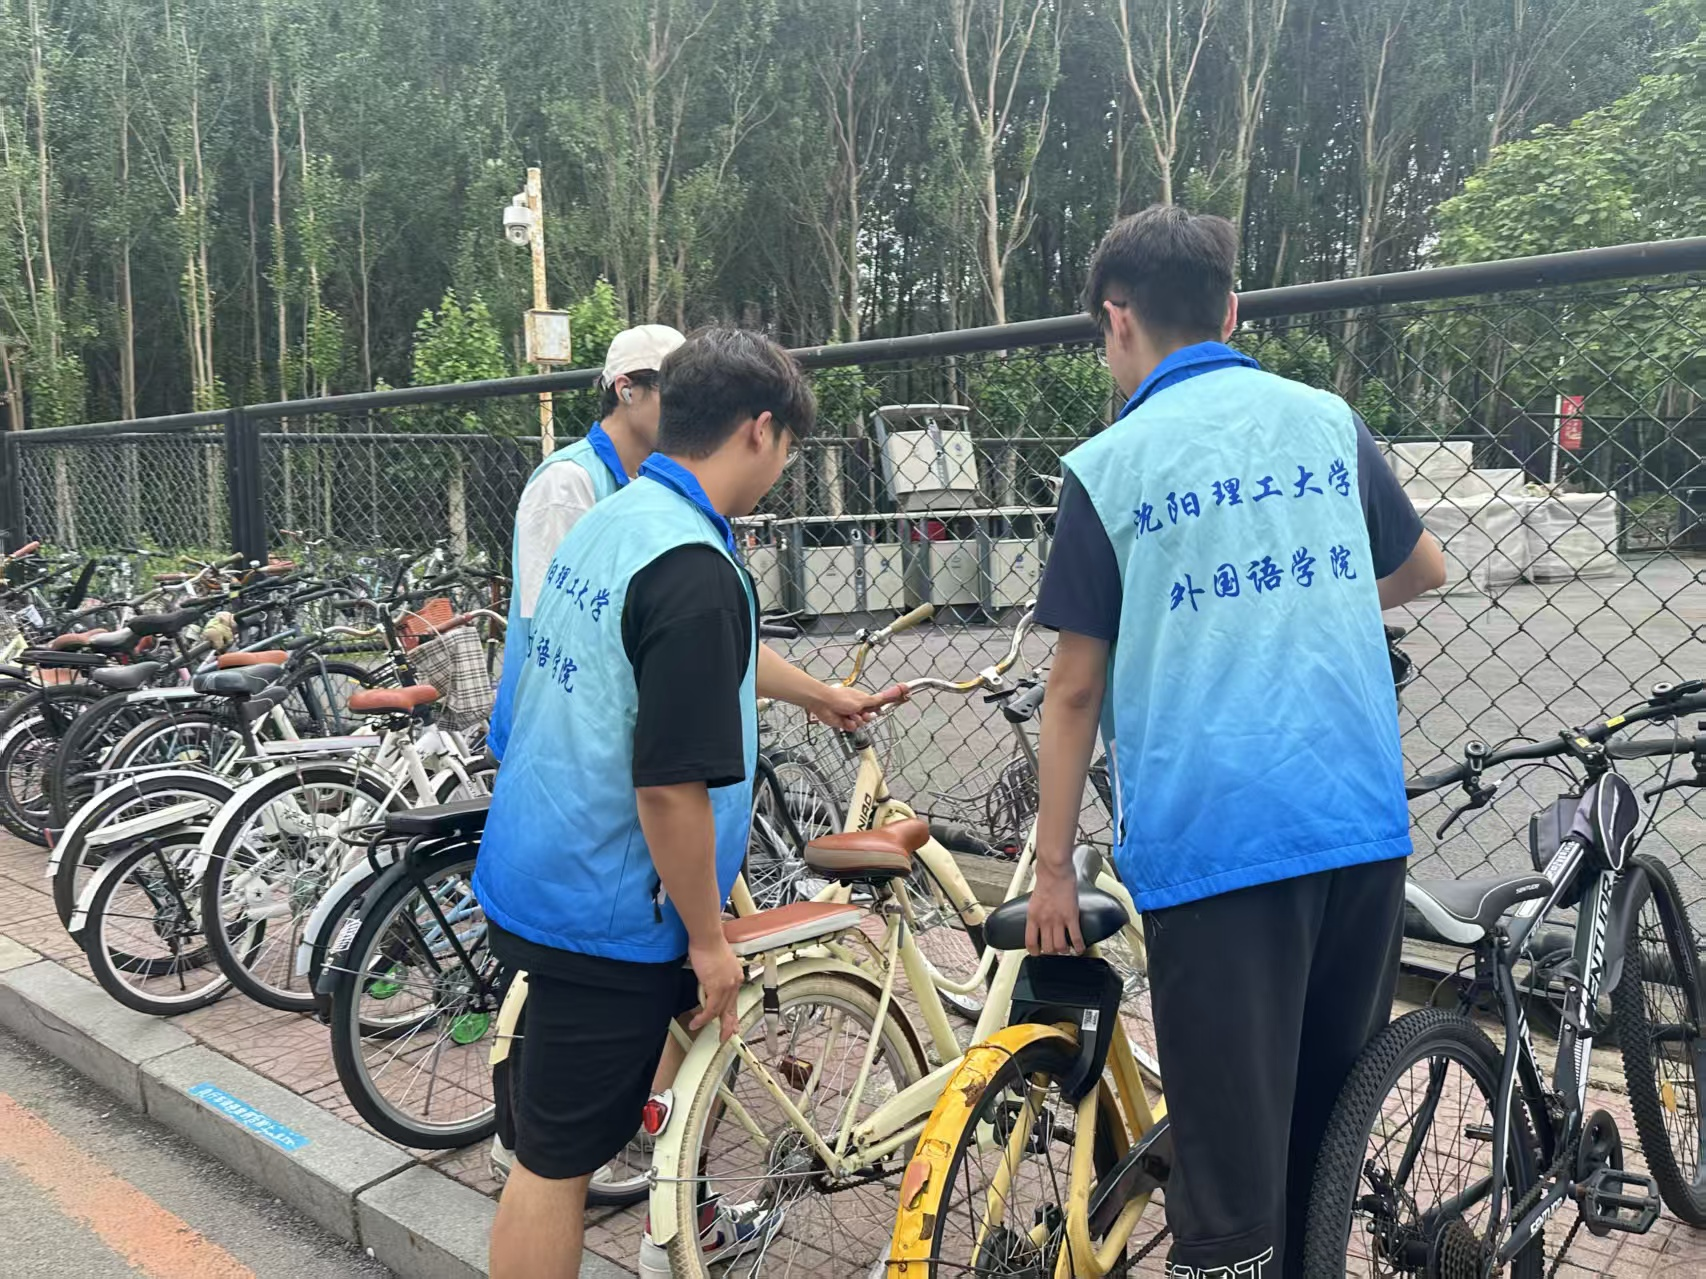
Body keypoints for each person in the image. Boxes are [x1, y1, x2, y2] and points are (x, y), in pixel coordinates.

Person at [1025, 205, 1446, 1278]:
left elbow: (1072, 689)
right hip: (1356, 824)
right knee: (1326, 1138)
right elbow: (1421, 568)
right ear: (1231, 310)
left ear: (1117, 319)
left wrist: (1052, 867)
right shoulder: (1324, 420)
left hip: (1216, 850)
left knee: (1226, 1184)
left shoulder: (1109, 464)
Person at [475, 328, 892, 1279]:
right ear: (759, 429)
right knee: (554, 1165)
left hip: (547, 863)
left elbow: (694, 657)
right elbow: (669, 786)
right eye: (788, 449)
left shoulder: (619, 519)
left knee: (590, 1111)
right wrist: (708, 941)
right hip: (607, 906)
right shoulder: (693, 566)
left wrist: (821, 695)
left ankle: (687, 1209)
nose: (782, 470)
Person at [486, 323, 685, 761]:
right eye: (675, 393)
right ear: (626, 389)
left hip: (612, 724)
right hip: (558, 734)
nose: (687, 410)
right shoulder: (567, 482)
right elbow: (555, 622)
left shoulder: (648, 483)